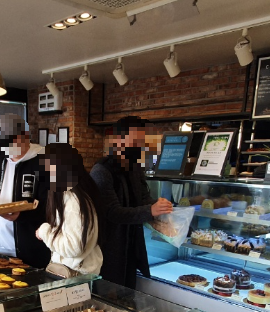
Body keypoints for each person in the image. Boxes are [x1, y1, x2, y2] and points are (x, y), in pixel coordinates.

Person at [90, 116, 172, 288]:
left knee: (127, 294)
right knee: (107, 295)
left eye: (142, 141)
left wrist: (161, 206)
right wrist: (150, 210)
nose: (139, 146)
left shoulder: (134, 168)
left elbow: (142, 199)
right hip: (107, 250)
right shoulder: (101, 171)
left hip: (131, 247)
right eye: (135, 141)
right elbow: (112, 212)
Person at [0, 113, 51, 268]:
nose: (6, 147)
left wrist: (21, 215)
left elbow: (49, 205)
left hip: (29, 246)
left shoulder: (43, 162)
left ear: (24, 136)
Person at [36, 143, 103, 276]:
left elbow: (72, 247)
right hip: (77, 275)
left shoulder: (73, 201)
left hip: (74, 278)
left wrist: (44, 231)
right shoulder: (76, 194)